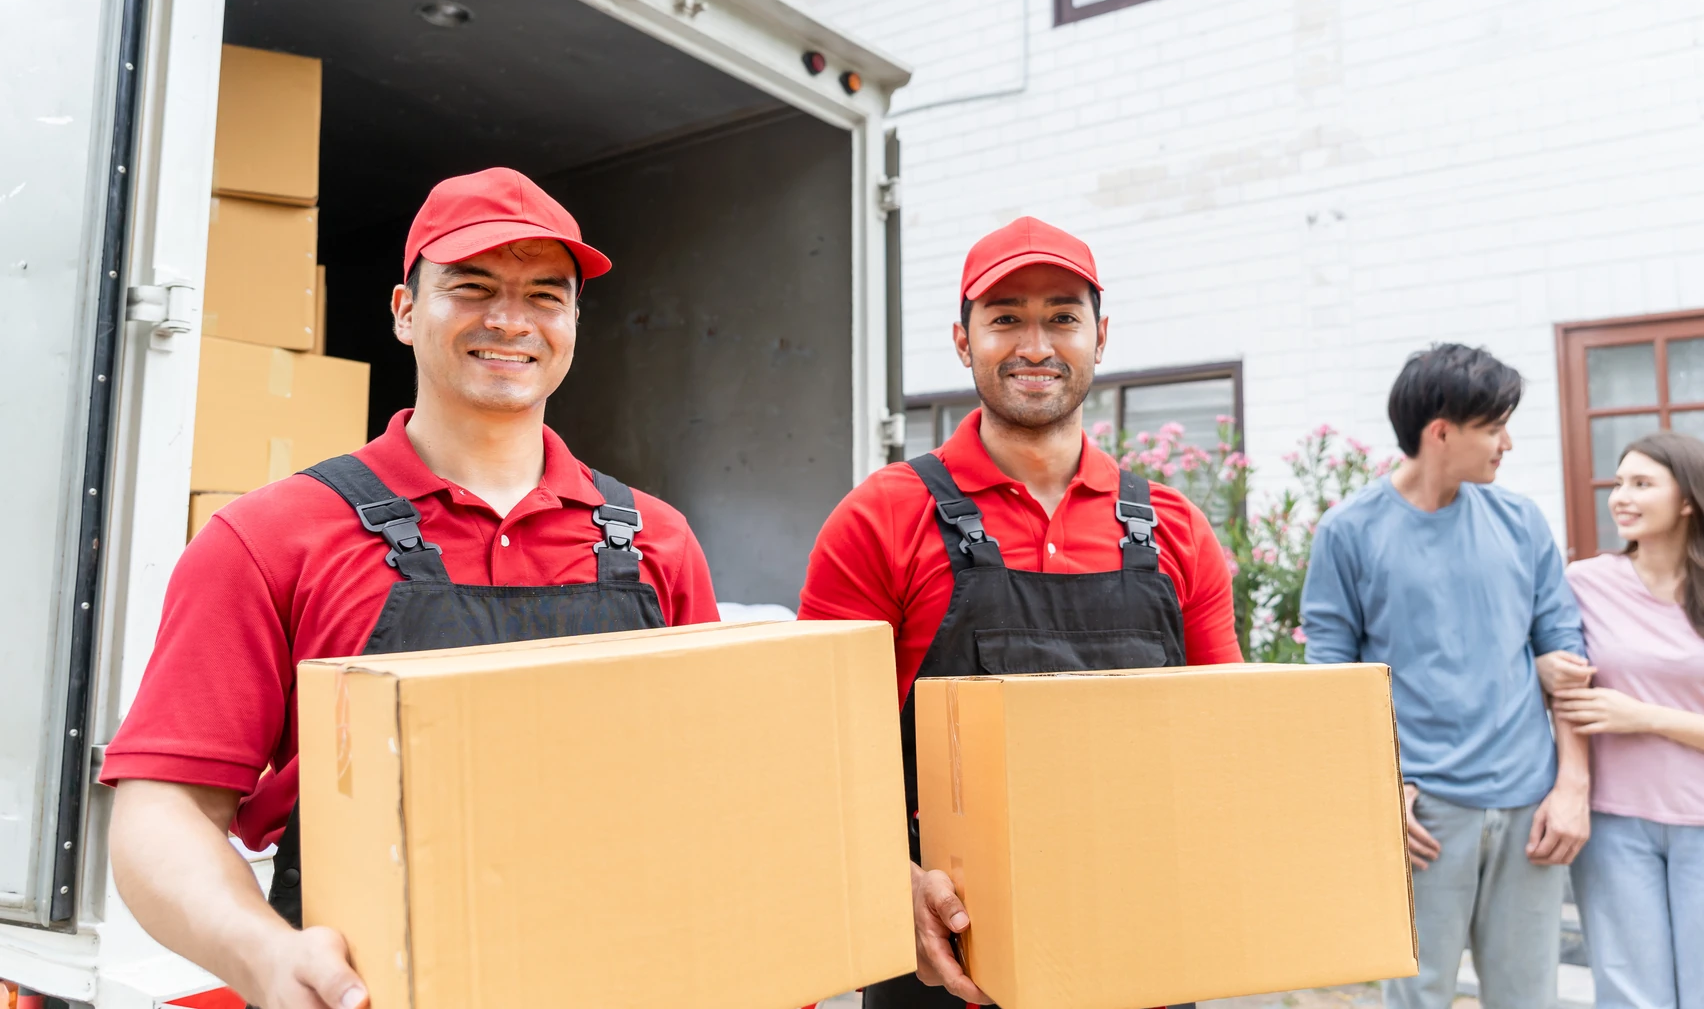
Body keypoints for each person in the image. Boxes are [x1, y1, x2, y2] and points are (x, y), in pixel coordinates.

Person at [100, 168, 721, 1009]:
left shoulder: (656, 540)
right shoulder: (273, 536)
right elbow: (164, 808)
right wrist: (263, 958)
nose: (510, 319)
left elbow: (714, 786)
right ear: (402, 309)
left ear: (574, 322)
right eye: (470, 287)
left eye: (546, 293)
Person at [799, 217, 1242, 1008]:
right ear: (963, 341)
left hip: (1143, 946)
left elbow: (1225, 742)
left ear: (1100, 337)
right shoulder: (881, 518)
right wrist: (891, 884)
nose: (1035, 343)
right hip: (949, 954)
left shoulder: (1174, 529)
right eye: (1005, 317)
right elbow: (812, 757)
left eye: (1062, 317)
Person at [1301, 343, 1591, 1009]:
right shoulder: (1348, 533)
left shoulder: (1522, 523)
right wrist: (1379, 790)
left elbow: (1568, 666)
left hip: (1529, 810)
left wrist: (1572, 785)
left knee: (1529, 999)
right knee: (1417, 998)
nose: (1506, 443)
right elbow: (1330, 687)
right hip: (1422, 814)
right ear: (1441, 431)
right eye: (1493, 426)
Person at [1537, 432, 1704, 1009]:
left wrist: (1646, 717)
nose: (1621, 497)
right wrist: (1543, 667)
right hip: (1613, 826)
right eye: (1618, 483)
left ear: (1689, 500)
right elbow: (1553, 676)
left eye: (1641, 483)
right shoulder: (1583, 584)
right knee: (1629, 997)